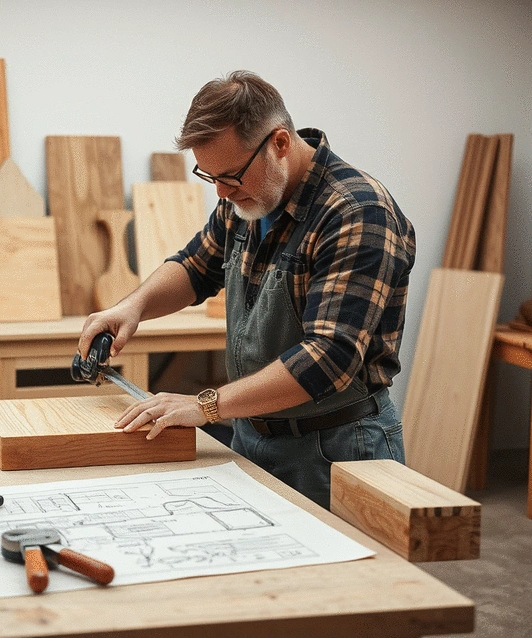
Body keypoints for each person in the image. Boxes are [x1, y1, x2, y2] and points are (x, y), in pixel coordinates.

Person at [78, 71, 416, 509]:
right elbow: (196, 266)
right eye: (209, 175)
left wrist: (207, 404)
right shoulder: (247, 198)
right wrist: (132, 307)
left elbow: (328, 358)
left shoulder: (357, 213)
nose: (220, 190)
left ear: (279, 143)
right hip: (252, 435)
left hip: (337, 450)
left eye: (231, 175)